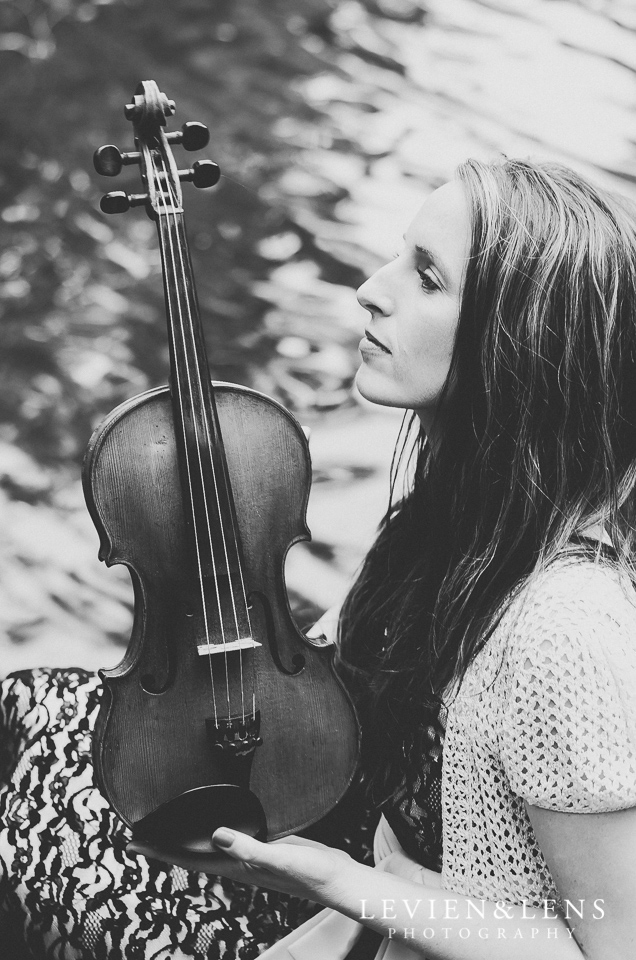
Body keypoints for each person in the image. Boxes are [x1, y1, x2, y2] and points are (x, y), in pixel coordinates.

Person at [2, 156, 636, 959]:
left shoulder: (566, 631)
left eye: (428, 278)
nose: (372, 287)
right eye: (400, 255)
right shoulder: (459, 518)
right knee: (27, 707)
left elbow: (610, 948)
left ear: (517, 346)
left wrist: (341, 886)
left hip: (373, 914)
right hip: (342, 833)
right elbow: (331, 670)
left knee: (31, 842)